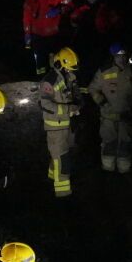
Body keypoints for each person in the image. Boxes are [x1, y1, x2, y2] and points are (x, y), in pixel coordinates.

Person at [87, 43, 132, 173]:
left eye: (123, 56)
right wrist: (102, 102)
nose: (121, 59)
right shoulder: (104, 71)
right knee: (109, 142)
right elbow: (92, 88)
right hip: (108, 117)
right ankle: (107, 169)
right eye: (118, 56)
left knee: (125, 143)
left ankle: (124, 169)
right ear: (113, 57)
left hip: (127, 117)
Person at [40, 46, 81, 199]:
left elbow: (71, 94)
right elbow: (46, 105)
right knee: (62, 160)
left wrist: (77, 103)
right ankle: (63, 194)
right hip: (55, 128)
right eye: (69, 69)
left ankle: (51, 177)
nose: (71, 72)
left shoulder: (67, 77)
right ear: (59, 65)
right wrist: (68, 109)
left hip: (65, 125)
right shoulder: (49, 82)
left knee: (57, 156)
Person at [21, 0, 75, 74]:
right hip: (37, 38)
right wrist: (27, 33)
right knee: (40, 67)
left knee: (57, 64)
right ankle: (41, 84)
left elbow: (70, 5)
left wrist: (60, 9)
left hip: (54, 36)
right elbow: (27, 15)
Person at [72, 0, 124, 64]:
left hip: (99, 49)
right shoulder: (80, 7)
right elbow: (73, 25)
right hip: (81, 48)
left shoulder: (105, 10)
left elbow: (117, 28)